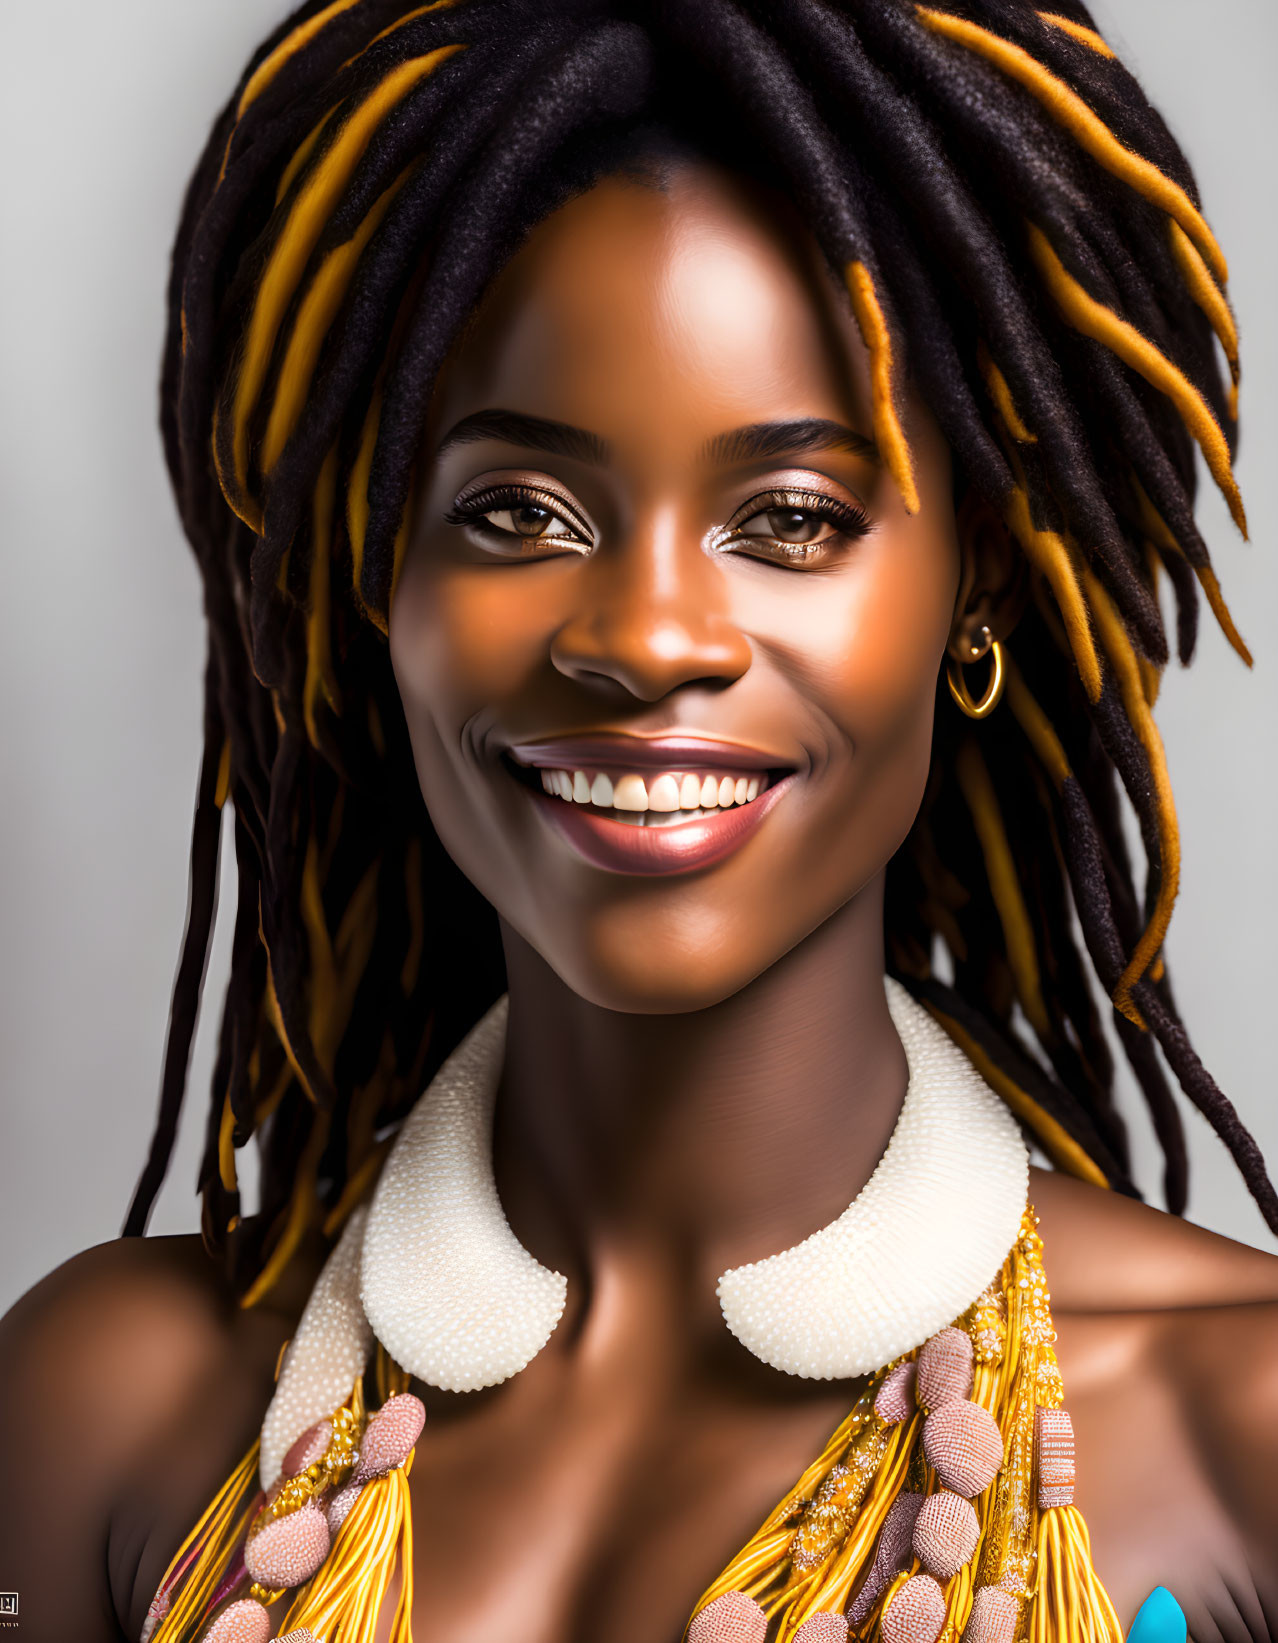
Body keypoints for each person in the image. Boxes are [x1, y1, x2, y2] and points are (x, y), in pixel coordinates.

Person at [2, 0, 1275, 1639]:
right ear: (373, 589)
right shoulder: (105, 1414)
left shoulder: (1229, 1431)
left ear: (975, 591)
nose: (645, 633)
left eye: (792, 518)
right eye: (516, 512)